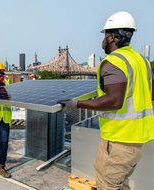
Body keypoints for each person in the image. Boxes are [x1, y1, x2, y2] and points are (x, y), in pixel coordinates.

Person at [58, 11, 154, 190]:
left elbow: (114, 101)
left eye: (103, 36)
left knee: (107, 185)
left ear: (111, 38)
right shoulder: (142, 61)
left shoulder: (114, 61)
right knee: (120, 184)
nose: (102, 40)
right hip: (138, 137)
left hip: (119, 140)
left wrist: (75, 104)